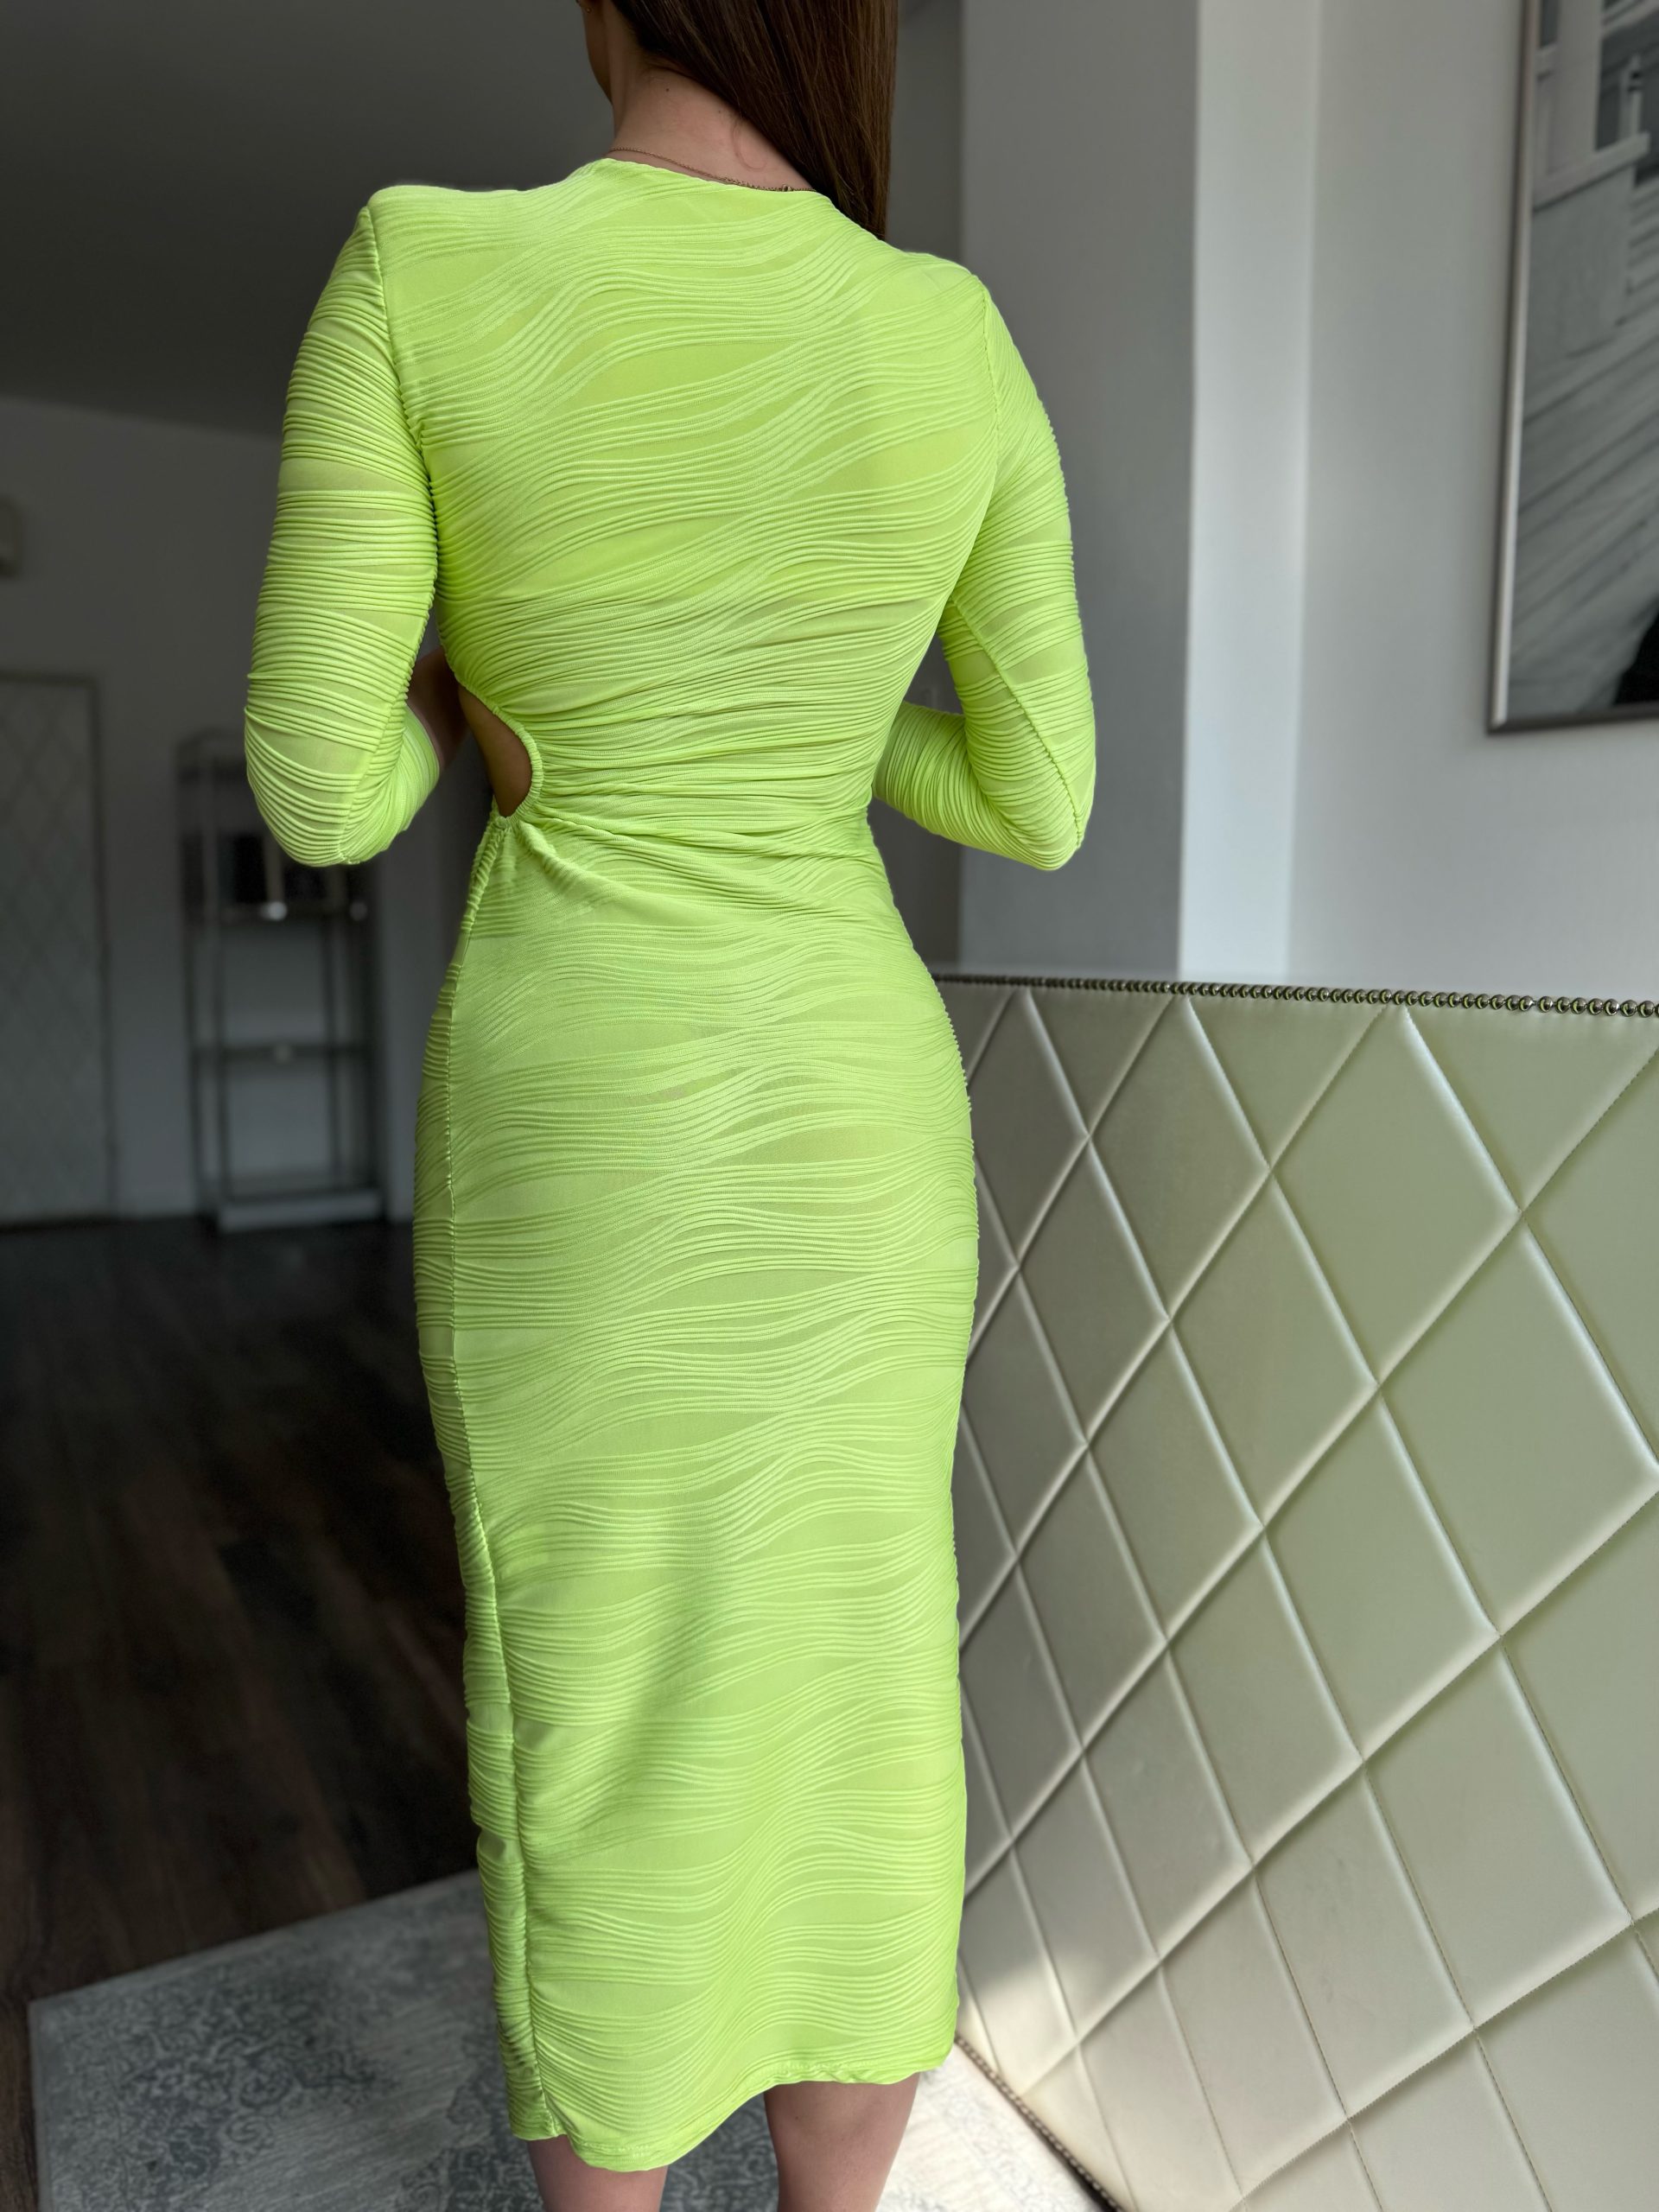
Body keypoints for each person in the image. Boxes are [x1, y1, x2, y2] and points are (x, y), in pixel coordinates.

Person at [241, 1, 1096, 2206]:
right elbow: (1038, 793)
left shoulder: (424, 267)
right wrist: (815, 735)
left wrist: (488, 707)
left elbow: (318, 789)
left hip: (583, 1112)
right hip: (853, 1114)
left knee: (597, 1694)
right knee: (860, 1673)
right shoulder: (947, 334)